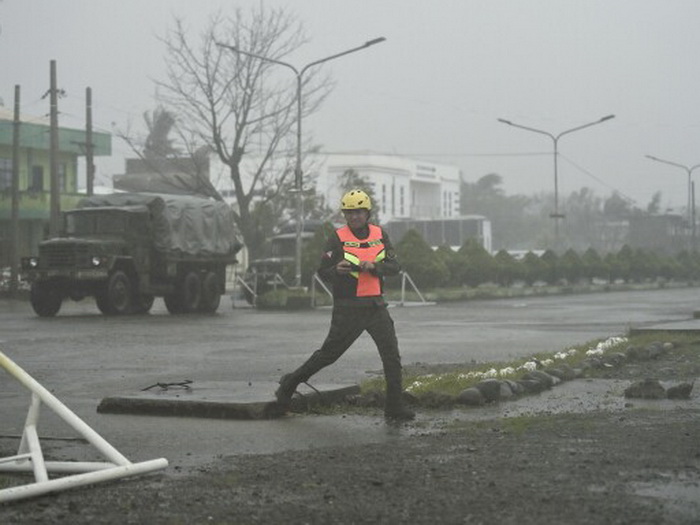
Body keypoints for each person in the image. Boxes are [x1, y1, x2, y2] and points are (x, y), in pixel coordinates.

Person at [274, 189, 416, 421]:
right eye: (349, 213)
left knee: (391, 356)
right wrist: (335, 271)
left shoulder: (380, 234)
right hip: (348, 308)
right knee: (328, 355)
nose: (354, 217)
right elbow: (323, 271)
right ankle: (289, 384)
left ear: (367, 213)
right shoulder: (337, 237)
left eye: (358, 212)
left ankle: (394, 407)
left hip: (376, 306)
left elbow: (394, 266)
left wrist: (374, 267)